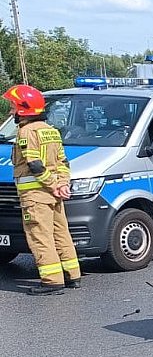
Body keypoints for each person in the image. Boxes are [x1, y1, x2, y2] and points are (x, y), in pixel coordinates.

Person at [3, 84, 81, 295]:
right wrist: (62, 184)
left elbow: (34, 164)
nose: (11, 111)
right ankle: (72, 275)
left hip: (36, 196)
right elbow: (64, 162)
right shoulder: (51, 131)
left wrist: (54, 185)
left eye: (13, 107)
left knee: (40, 237)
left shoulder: (26, 132)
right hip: (54, 194)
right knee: (61, 234)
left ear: (23, 109)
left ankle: (52, 281)